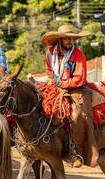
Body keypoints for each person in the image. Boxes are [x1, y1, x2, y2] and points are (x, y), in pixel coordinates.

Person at [41, 24, 98, 168]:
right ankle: (41, 143)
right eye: (66, 39)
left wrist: (62, 83)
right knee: (38, 103)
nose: (69, 41)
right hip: (55, 85)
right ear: (60, 39)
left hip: (76, 88)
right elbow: (49, 70)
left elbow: (80, 78)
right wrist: (54, 81)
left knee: (77, 115)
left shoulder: (78, 54)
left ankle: (76, 153)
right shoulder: (50, 53)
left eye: (71, 39)